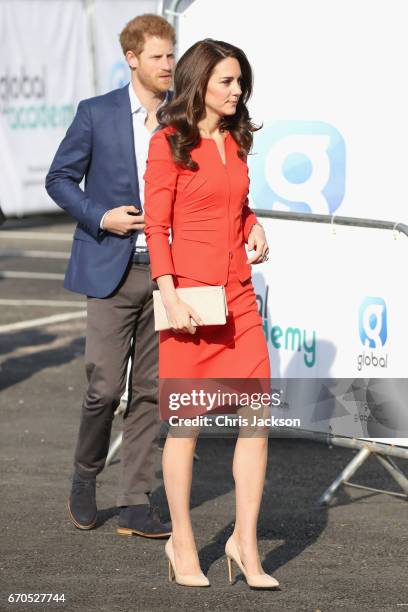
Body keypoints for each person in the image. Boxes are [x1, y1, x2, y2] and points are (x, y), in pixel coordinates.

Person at [144, 39, 279, 588]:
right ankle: (182, 542)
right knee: (188, 429)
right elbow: (157, 227)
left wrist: (255, 228)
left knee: (256, 421)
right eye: (227, 81)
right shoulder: (168, 141)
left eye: (240, 82)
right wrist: (170, 295)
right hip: (192, 305)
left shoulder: (237, 141)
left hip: (240, 298)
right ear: (200, 81)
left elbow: (237, 208)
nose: (237, 91)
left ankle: (244, 544)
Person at [45, 14, 174, 538]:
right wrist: (102, 216)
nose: (169, 65)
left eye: (172, 55)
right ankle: (86, 473)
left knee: (151, 391)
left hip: (168, 274)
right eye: (159, 57)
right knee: (102, 387)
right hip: (110, 268)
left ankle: (137, 498)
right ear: (132, 59)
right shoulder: (96, 113)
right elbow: (59, 178)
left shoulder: (183, 117)